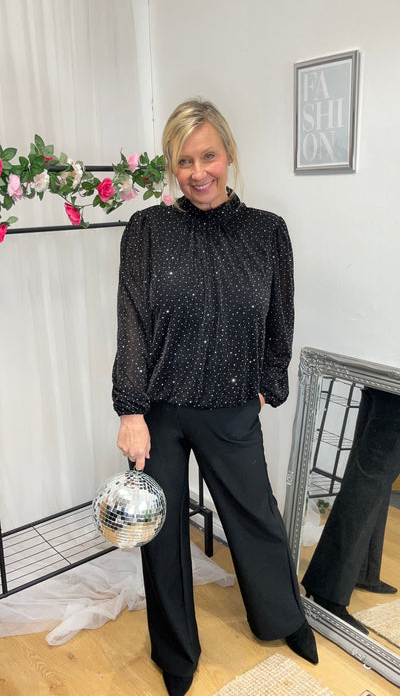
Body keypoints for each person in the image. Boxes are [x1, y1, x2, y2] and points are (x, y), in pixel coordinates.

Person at [112, 99, 318, 696]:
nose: (198, 172)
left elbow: (280, 319)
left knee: (256, 517)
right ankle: (175, 653)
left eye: (208, 156)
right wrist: (130, 409)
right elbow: (132, 321)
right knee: (160, 532)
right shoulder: (147, 230)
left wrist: (266, 387)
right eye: (184, 161)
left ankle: (283, 619)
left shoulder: (267, 232)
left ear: (228, 155)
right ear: (171, 166)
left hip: (231, 406)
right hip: (158, 411)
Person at [302, 386, 400, 633]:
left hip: (384, 376)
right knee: (370, 479)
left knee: (369, 476)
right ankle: (328, 590)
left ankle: (362, 572)